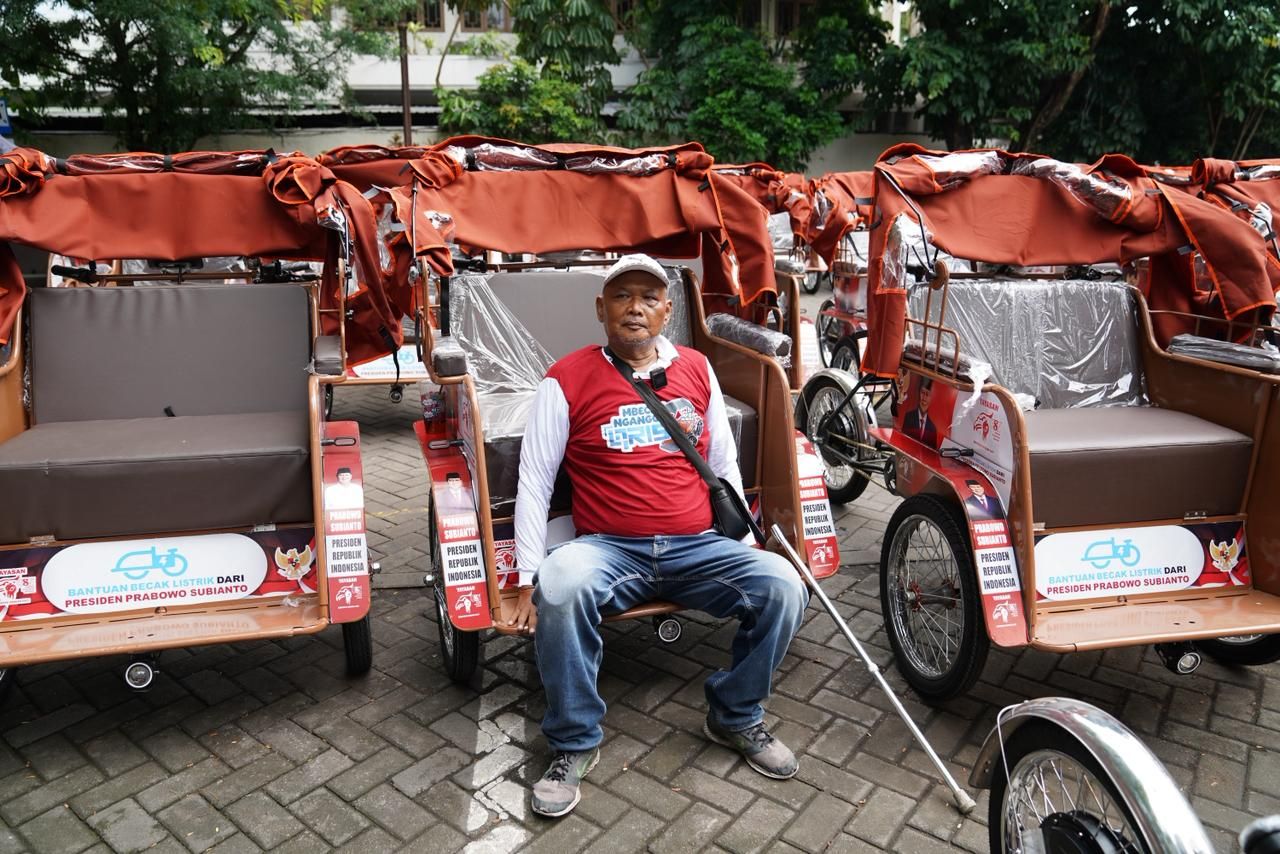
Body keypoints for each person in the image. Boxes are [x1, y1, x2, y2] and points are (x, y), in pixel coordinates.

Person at [512, 254, 809, 818]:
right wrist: (528, 576)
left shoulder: (697, 367)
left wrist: (745, 546)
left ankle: (735, 715)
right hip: (608, 549)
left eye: (650, 296)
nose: (636, 308)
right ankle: (574, 743)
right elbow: (535, 480)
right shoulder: (567, 377)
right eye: (622, 296)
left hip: (696, 544)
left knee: (783, 587)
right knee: (561, 585)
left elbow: (722, 463)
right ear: (601, 309)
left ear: (668, 310)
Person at [901, 377, 938, 447]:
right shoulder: (909, 417)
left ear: (931, 398)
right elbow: (903, 440)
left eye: (927, 394)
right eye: (922, 392)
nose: (924, 397)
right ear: (919, 393)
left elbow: (932, 451)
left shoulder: (932, 428)